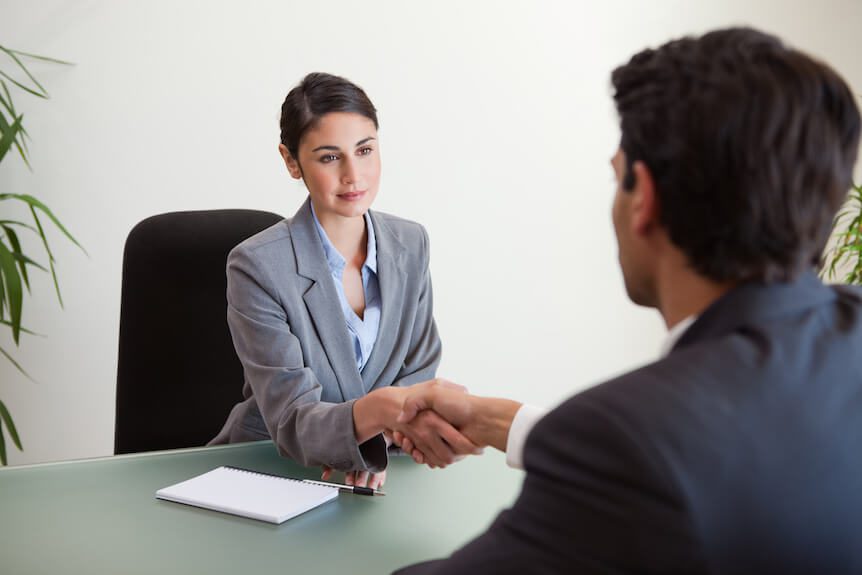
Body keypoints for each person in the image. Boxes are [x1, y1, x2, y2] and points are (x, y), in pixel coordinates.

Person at [391, 28, 862, 573]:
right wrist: (497, 420)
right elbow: (727, 455)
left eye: (618, 179)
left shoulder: (626, 440)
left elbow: (648, 460)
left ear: (646, 200)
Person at [210, 73, 477, 489]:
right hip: (271, 472)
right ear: (291, 161)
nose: (355, 175)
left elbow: (419, 371)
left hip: (381, 466)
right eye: (330, 157)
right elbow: (293, 418)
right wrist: (374, 419)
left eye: (365, 150)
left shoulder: (411, 243)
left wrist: (373, 437)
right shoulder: (257, 266)